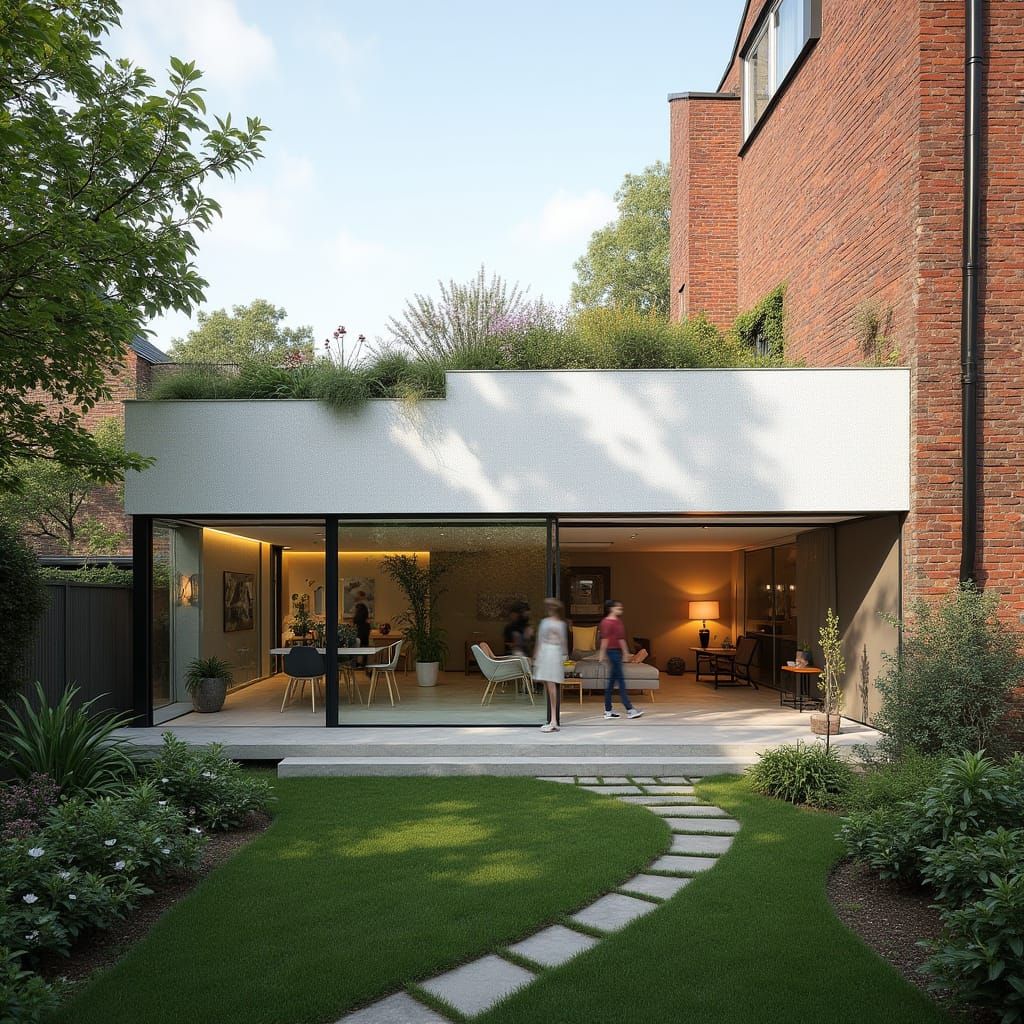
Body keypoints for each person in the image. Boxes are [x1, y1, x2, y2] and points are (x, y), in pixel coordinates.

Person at [598, 599, 644, 720]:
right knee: (621, 682)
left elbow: (621, 639)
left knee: (611, 683)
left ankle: (608, 710)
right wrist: (602, 654)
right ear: (611, 609)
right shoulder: (608, 622)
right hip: (613, 653)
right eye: (618, 608)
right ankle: (630, 709)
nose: (620, 610)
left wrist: (624, 653)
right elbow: (605, 639)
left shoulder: (615, 621)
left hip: (615, 653)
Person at [534, 598, 568, 733]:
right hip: (554, 653)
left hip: (549, 653)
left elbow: (540, 640)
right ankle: (553, 719)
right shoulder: (559, 624)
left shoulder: (547, 622)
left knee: (551, 687)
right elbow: (563, 643)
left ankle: (553, 720)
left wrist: (536, 659)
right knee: (551, 686)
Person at [353, 601, 370, 668]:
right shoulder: (367, 623)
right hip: (365, 641)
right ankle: (363, 663)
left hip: (358, 640)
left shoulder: (356, 622)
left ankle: (356, 663)